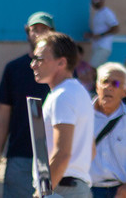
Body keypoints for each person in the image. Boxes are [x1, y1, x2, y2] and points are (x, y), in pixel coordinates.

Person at [0, 10, 55, 198]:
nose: (39, 33)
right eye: (35, 29)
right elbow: (3, 115)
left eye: (44, 29)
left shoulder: (61, 69)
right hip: (20, 154)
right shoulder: (14, 68)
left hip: (53, 156)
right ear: (27, 32)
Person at [32, 32, 95, 198]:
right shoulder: (75, 91)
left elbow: (62, 153)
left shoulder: (63, 95)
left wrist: (42, 192)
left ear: (61, 62)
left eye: (39, 59)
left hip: (62, 188)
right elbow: (91, 149)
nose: (33, 65)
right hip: (70, 187)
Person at [90, 62, 126, 198]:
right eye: (105, 82)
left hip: (123, 192)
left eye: (116, 84)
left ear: (125, 91)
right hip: (88, 191)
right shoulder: (82, 116)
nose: (109, 87)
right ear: (97, 86)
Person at [83, 0, 120, 68]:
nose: (94, 3)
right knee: (97, 69)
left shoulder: (107, 13)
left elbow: (115, 28)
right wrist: (91, 35)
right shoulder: (98, 14)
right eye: (92, 1)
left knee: (92, 68)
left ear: (102, 0)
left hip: (103, 46)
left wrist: (101, 35)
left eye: (96, 0)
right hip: (96, 46)